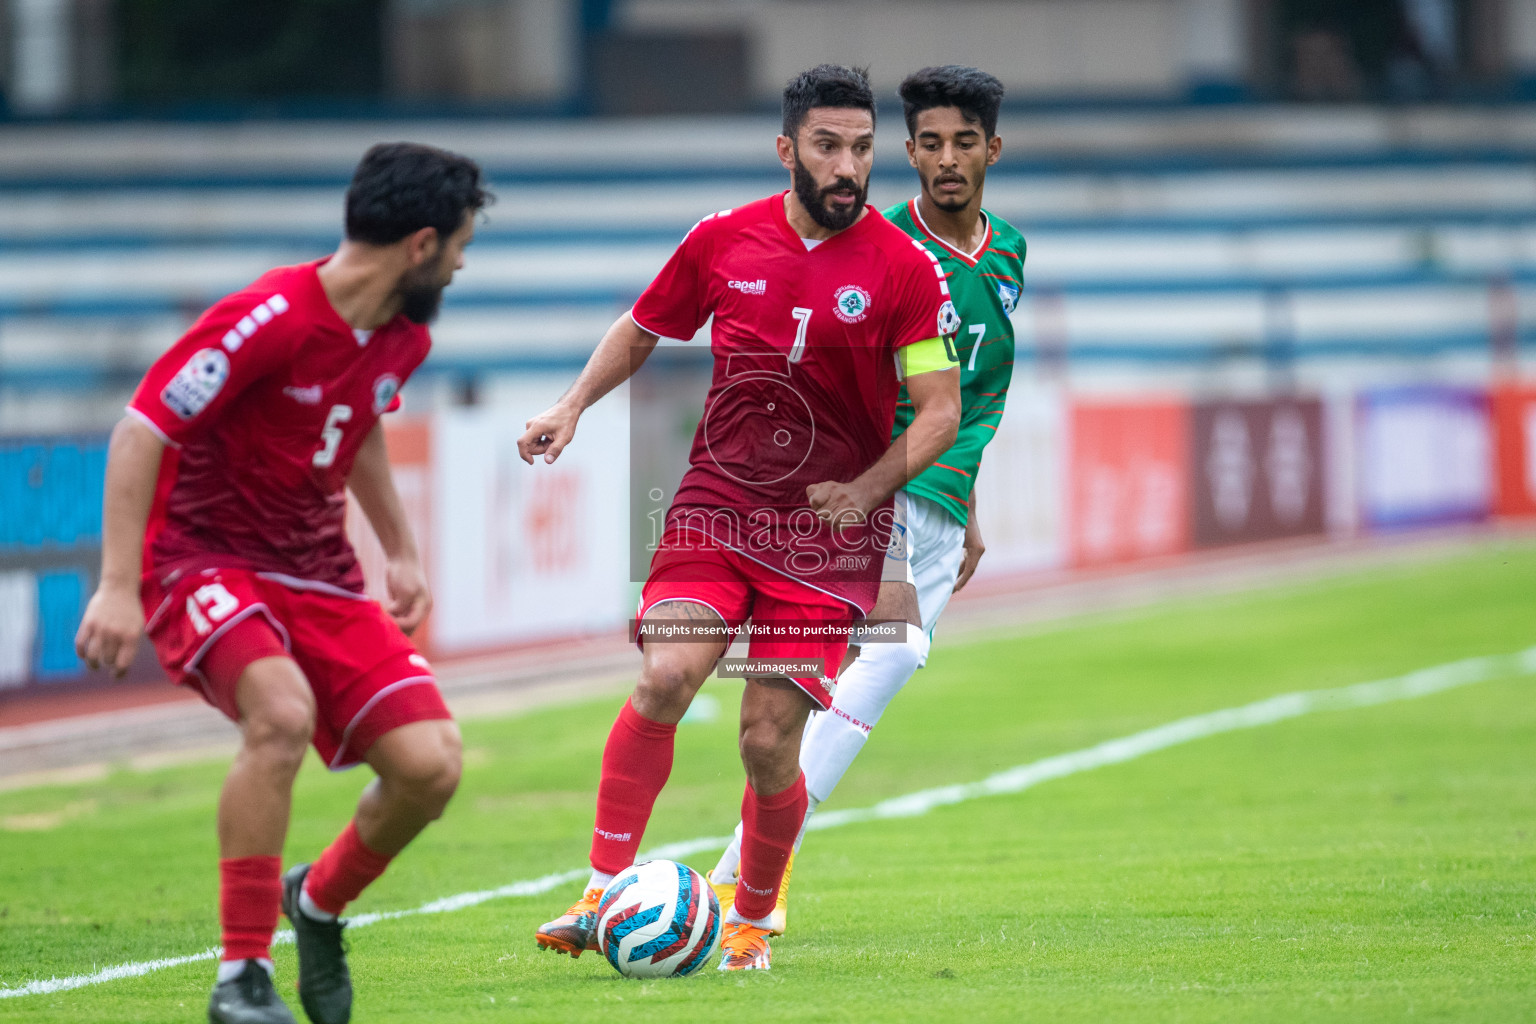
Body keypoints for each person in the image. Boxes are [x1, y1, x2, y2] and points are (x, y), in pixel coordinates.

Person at [519, 64, 962, 972]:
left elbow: (941, 409)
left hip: (827, 540)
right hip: (716, 510)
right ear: (787, 149)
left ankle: (752, 922)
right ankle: (602, 889)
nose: (849, 168)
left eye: (863, 150)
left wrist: (868, 491)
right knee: (664, 678)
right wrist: (571, 406)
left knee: (767, 738)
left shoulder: (905, 269)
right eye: (828, 147)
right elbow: (643, 328)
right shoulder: (723, 240)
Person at [73, 142, 488, 1024]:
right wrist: (116, 586)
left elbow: (361, 418)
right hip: (202, 557)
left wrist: (402, 549)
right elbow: (142, 429)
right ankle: (241, 977)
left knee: (431, 768)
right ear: (421, 244)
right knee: (282, 714)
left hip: (318, 572)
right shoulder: (266, 318)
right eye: (459, 245)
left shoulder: (403, 336)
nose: (461, 261)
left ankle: (319, 905)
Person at [708, 65, 1026, 935]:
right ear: (910, 154)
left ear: (992, 149)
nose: (946, 159)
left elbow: (966, 400)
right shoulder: (880, 253)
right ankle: (741, 878)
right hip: (875, 493)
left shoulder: (1008, 254)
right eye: (929, 143)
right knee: (891, 652)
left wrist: (969, 508)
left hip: (941, 503)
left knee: (840, 676)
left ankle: (745, 880)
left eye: (964, 142)